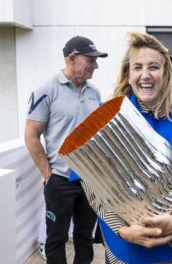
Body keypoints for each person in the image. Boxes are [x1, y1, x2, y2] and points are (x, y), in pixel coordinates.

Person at [79, 32, 172, 264]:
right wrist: (123, 230)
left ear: (166, 73)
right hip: (125, 246)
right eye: (137, 67)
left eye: (153, 67)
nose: (145, 75)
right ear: (128, 74)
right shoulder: (107, 116)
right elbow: (92, 187)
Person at [24, 35, 107, 263]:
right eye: (90, 60)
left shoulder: (94, 92)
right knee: (56, 238)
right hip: (60, 179)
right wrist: (48, 175)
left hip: (89, 178)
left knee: (84, 236)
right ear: (71, 59)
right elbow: (31, 136)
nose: (95, 65)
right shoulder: (47, 90)